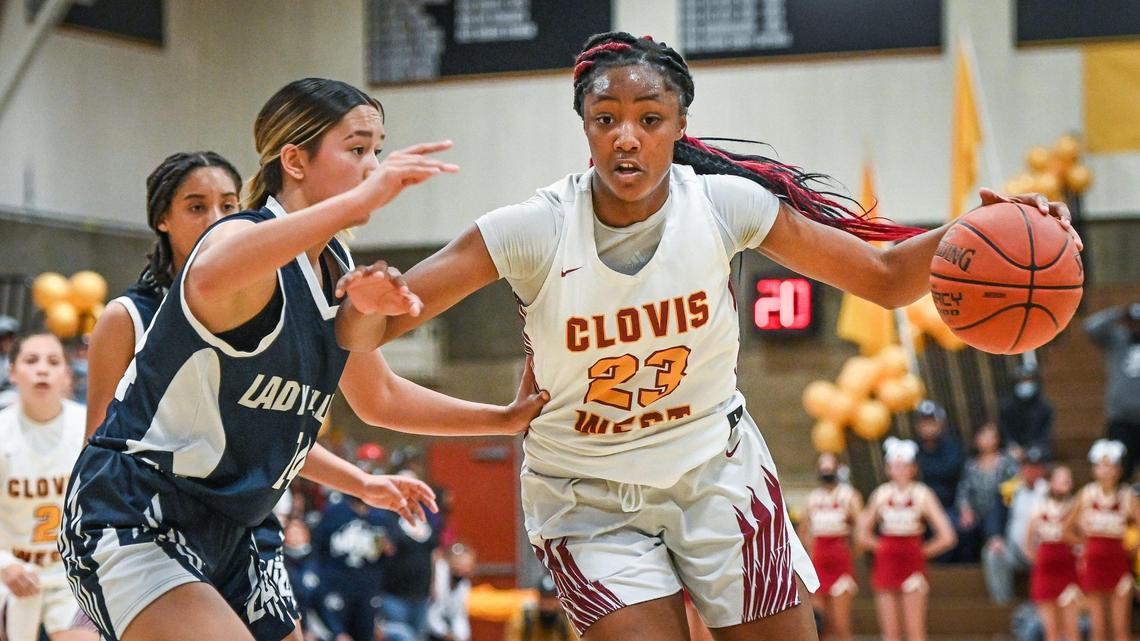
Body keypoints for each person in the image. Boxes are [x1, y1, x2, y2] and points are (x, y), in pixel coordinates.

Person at [338, 31, 1075, 641]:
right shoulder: (532, 228)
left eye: (649, 118)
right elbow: (370, 327)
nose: (627, 137)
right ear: (586, 126)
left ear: (679, 126)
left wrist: (985, 229)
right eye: (606, 119)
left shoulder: (724, 204)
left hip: (715, 472)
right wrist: (367, 304)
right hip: (588, 492)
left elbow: (884, 276)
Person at [59, 77, 547, 641]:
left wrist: (500, 419)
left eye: (379, 150)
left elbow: (379, 397)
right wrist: (361, 200)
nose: (375, 165)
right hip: (140, 511)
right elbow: (215, 269)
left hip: (238, 528)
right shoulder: (238, 238)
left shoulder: (336, 268)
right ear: (295, 159)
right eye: (357, 149)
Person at [80, 149, 433, 637]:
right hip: (150, 512)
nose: (218, 219)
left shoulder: (281, 296)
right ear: (162, 219)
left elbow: (268, 430)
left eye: (228, 204)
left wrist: (360, 482)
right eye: (196, 207)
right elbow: (98, 444)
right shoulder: (129, 316)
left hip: (240, 521)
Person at [0, 334, 97, 641]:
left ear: (68, 376)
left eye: (53, 362)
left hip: (70, 574)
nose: (42, 369)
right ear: (12, 371)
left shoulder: (89, 428)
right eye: (31, 361)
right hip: (9, 571)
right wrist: (5, 565)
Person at [857, 438, 956, 641]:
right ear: (888, 469)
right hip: (886, 563)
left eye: (905, 466)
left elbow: (948, 536)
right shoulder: (881, 494)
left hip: (912, 564)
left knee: (915, 632)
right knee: (890, 633)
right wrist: (882, 547)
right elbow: (861, 534)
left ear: (913, 468)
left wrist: (921, 551)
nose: (900, 470)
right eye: (896, 466)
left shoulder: (923, 494)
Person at [1066, 439, 1140, 641]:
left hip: (1119, 567)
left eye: (1110, 465)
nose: (1106, 470)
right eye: (1101, 465)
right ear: (1094, 469)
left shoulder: (1127, 497)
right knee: (1097, 629)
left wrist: (1134, 549)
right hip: (1093, 567)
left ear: (1118, 469)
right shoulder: (1086, 495)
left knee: (1121, 629)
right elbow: (1066, 528)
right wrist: (1083, 546)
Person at [798, 454, 862, 641]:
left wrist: (850, 551)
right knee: (821, 624)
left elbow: (861, 529)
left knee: (841, 625)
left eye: (830, 467)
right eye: (823, 467)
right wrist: (811, 553)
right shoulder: (813, 498)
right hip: (819, 562)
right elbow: (803, 531)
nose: (826, 472)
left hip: (841, 563)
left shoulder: (849, 496)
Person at [310, 495, 391, 641]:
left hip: (368, 583)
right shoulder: (335, 511)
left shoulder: (380, 515)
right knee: (337, 632)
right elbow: (318, 545)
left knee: (365, 631)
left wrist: (387, 548)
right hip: (337, 581)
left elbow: (389, 552)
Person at [378, 470, 442, 641]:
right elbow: (382, 549)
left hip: (421, 593)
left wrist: (435, 584)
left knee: (419, 636)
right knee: (403, 636)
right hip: (394, 593)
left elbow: (434, 554)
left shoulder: (428, 516)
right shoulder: (386, 517)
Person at [981, 444, 1049, 605]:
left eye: (1035, 467)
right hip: (1014, 550)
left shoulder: (1050, 491)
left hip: (1043, 549)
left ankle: (1048, 603)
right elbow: (994, 514)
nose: (1031, 471)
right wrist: (995, 536)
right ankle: (1002, 604)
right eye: (1027, 467)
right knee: (992, 553)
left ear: (1043, 470)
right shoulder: (1010, 489)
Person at [1084, 303, 1140, 481]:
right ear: (1128, 322)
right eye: (1133, 322)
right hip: (1121, 420)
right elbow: (1089, 326)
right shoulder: (1118, 339)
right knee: (1119, 473)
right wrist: (1116, 313)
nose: (1136, 326)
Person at [1024, 465, 1080, 641]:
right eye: (1062, 478)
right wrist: (1038, 561)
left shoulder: (1076, 507)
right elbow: (1027, 543)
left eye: (1069, 478)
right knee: (1051, 632)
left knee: (1072, 631)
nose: (1066, 481)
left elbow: (1084, 539)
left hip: (1069, 572)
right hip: (1045, 573)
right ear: (1050, 482)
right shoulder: (1039, 508)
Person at [954, 422, 1019, 562]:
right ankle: (969, 566)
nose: (987, 440)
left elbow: (1015, 485)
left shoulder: (1007, 461)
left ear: (998, 439)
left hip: (1003, 511)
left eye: (991, 436)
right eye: (983, 436)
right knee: (964, 529)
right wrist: (965, 509)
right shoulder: (970, 465)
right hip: (977, 512)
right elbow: (963, 490)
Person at [912, 400, 964, 519]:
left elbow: (952, 471)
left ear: (941, 423)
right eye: (924, 423)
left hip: (952, 505)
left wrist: (924, 468)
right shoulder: (913, 449)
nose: (928, 427)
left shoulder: (953, 444)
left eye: (932, 422)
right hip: (922, 509)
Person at [998, 364, 1054, 461]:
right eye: (1021, 381)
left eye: (1028, 380)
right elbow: (1005, 432)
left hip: (1038, 449)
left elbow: (1045, 434)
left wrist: (1032, 449)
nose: (1025, 384)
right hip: (1012, 449)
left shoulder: (1045, 407)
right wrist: (1013, 446)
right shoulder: (1007, 406)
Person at [502, 575, 579, 641]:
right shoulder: (523, 619)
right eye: (544, 599)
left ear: (558, 600)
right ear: (537, 599)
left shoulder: (567, 622)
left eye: (551, 600)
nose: (547, 605)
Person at [427, 542, 475, 641]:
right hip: (427, 628)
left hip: (445, 627)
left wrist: (462, 636)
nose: (464, 569)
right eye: (459, 564)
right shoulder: (438, 578)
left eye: (467, 566)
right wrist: (444, 633)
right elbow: (431, 613)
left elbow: (459, 614)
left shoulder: (463, 583)